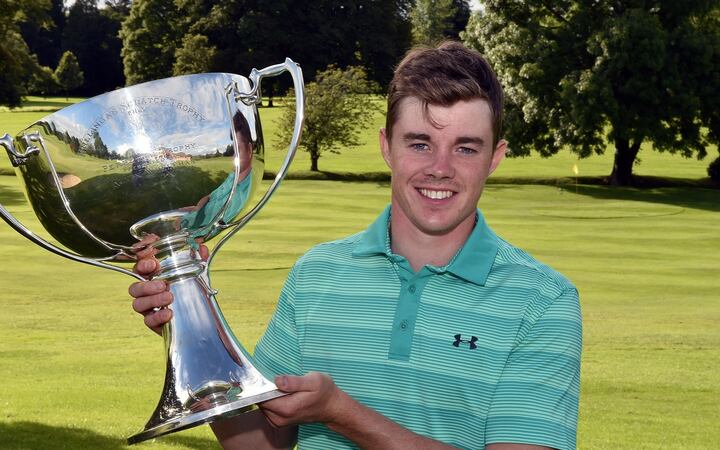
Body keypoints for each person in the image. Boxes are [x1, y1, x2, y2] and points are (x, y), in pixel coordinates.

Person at [129, 41, 582, 450]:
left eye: (465, 148)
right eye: (420, 144)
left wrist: (342, 414)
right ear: (387, 146)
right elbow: (263, 444)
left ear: (495, 158)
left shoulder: (543, 300)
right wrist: (192, 320)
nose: (440, 168)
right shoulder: (316, 272)